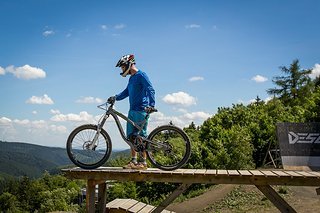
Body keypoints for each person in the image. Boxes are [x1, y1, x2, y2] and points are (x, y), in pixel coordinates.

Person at [108, 54, 155, 169]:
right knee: (131, 137)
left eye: (123, 67)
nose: (122, 69)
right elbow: (126, 92)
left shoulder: (141, 75)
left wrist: (151, 105)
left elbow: (150, 89)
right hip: (132, 110)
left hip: (141, 110)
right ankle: (133, 161)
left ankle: (143, 162)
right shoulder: (132, 78)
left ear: (129, 64)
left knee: (140, 137)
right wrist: (115, 97)